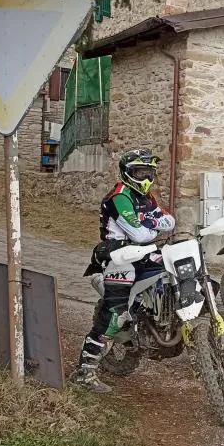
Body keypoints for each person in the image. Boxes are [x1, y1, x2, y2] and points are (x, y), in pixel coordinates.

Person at [72, 149, 175, 392]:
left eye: (149, 171)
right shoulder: (119, 196)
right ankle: (84, 372)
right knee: (115, 315)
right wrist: (152, 224)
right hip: (118, 256)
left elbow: (170, 220)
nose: (146, 176)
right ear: (128, 173)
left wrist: (149, 223)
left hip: (144, 253)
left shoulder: (146, 197)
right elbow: (139, 233)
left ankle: (158, 321)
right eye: (140, 172)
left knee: (173, 270)